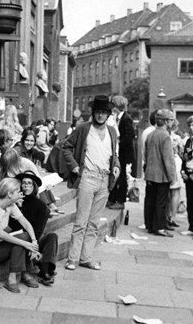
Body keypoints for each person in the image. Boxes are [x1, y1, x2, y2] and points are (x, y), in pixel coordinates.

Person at [61, 95, 120, 270]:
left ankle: (86, 258)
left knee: (94, 223)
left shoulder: (112, 132)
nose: (101, 115)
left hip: (104, 180)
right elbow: (65, 147)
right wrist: (73, 166)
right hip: (87, 177)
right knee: (81, 221)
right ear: (93, 113)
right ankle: (73, 259)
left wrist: (116, 165)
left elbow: (114, 154)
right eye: (98, 112)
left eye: (104, 112)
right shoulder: (83, 129)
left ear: (108, 114)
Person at [0, 178, 40, 293]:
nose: (21, 193)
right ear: (9, 194)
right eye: (18, 191)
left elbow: (26, 223)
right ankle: (14, 277)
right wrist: (27, 244)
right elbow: (1, 234)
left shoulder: (11, 205)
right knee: (21, 241)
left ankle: (23, 274)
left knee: (26, 236)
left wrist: (34, 241)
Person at [9, 171, 58, 286]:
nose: (26, 186)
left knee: (52, 236)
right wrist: (18, 208)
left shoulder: (41, 206)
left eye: (29, 183)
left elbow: (38, 230)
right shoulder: (14, 203)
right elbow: (13, 226)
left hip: (34, 238)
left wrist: (33, 247)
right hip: (19, 238)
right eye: (24, 183)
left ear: (34, 186)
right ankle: (39, 268)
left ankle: (44, 271)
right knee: (24, 236)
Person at [144, 110, 177, 237]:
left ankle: (150, 225)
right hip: (162, 175)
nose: (171, 123)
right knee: (161, 201)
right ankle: (159, 227)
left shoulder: (150, 135)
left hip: (150, 173)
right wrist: (172, 176)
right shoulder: (165, 136)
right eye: (170, 120)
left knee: (150, 200)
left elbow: (146, 155)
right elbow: (168, 159)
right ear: (166, 122)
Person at [107, 95, 136, 210]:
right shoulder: (117, 118)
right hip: (120, 152)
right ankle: (112, 198)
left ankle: (120, 201)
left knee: (122, 177)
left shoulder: (126, 118)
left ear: (117, 105)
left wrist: (119, 144)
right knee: (115, 175)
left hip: (124, 154)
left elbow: (130, 136)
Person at [167, 116, 184, 228]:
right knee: (176, 192)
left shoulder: (165, 136)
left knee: (167, 192)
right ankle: (173, 217)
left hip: (167, 163)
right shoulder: (177, 138)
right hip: (176, 163)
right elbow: (182, 152)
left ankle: (167, 215)